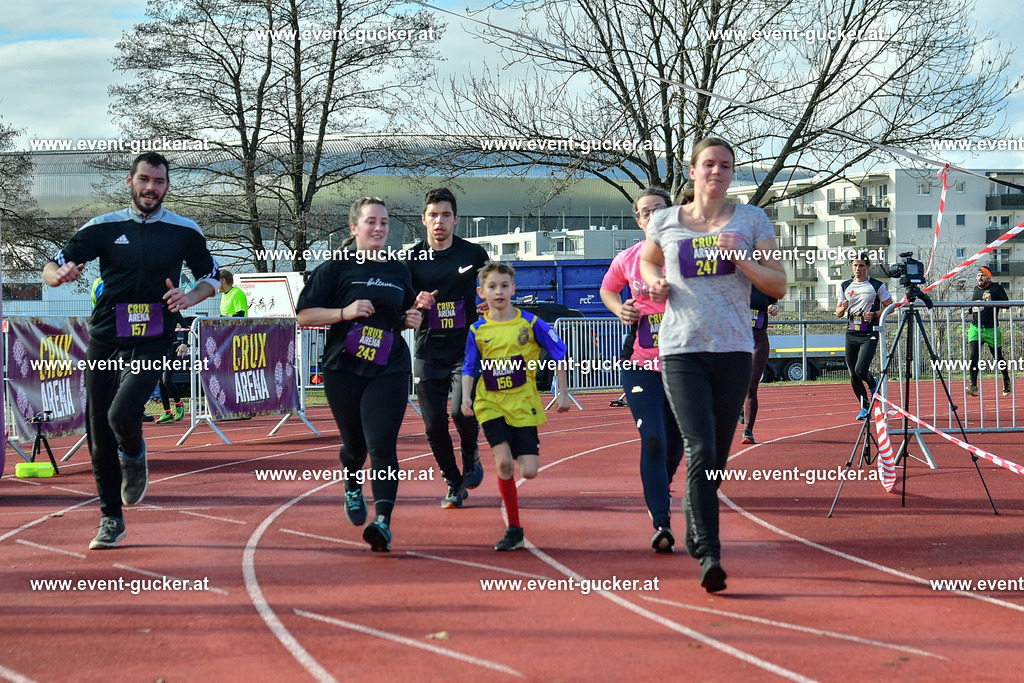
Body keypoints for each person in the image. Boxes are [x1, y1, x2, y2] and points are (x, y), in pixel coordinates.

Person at [42, 152, 219, 549]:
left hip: (154, 336)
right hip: (107, 336)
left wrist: (189, 297)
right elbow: (52, 267)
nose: (151, 188)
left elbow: (212, 277)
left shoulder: (184, 230)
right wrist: (58, 277)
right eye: (144, 180)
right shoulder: (104, 226)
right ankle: (110, 518)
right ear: (130, 181)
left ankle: (136, 453)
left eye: (158, 182)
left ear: (167, 186)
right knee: (98, 429)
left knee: (122, 413)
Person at [640, 137, 785, 592]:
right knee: (700, 448)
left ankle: (693, 520)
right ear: (692, 171)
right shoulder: (665, 220)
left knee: (716, 459)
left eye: (725, 165)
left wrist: (741, 259)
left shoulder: (751, 219)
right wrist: (655, 284)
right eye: (708, 164)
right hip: (682, 349)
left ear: (732, 173)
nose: (716, 172)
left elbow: (778, 284)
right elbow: (648, 263)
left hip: (734, 349)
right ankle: (710, 554)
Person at [296, 197, 421, 552]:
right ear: (354, 228)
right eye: (371, 222)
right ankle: (352, 480)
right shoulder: (335, 269)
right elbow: (304, 316)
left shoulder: (398, 270)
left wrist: (413, 319)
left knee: (382, 443)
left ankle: (382, 521)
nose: (379, 228)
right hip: (344, 367)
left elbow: (406, 313)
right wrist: (344, 311)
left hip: (390, 365)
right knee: (357, 446)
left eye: (384, 222)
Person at [461, 262, 572, 551]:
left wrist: (563, 392)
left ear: (514, 289)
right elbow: (470, 367)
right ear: (481, 292)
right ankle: (514, 529)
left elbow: (560, 352)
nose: (498, 291)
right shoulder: (477, 329)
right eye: (492, 286)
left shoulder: (531, 324)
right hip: (490, 403)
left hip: (523, 405)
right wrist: (465, 398)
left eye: (504, 286)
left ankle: (521, 454)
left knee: (530, 470)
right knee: (504, 463)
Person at [600, 186, 684, 553]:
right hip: (640, 363)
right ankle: (661, 522)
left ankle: (660, 484)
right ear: (638, 220)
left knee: (675, 446)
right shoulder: (629, 258)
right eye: (645, 212)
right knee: (652, 437)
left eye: (658, 209)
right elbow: (607, 289)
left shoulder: (688, 252)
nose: (652, 216)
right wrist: (620, 309)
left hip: (684, 365)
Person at [406, 188, 490, 509]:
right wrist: (414, 300)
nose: (439, 221)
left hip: (465, 349)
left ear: (455, 219)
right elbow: (401, 302)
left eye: (445, 215)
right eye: (433, 215)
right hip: (428, 351)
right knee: (432, 424)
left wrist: (488, 305)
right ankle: (453, 483)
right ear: (424, 220)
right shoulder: (412, 259)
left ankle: (470, 451)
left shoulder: (473, 254)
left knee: (461, 410)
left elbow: (494, 286)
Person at [835, 253, 892, 420]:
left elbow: (891, 307)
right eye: (855, 265)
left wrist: (875, 314)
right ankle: (864, 407)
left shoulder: (876, 285)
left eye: (861, 266)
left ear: (867, 266)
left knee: (861, 369)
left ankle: (873, 384)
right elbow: (838, 312)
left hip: (869, 332)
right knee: (853, 373)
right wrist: (843, 308)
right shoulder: (845, 285)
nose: (858, 269)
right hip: (852, 331)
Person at [742, 286, 780, 444]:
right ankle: (738, 406)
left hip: (758, 340)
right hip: (738, 339)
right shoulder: (734, 283)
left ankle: (748, 431)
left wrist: (774, 308)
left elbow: (775, 303)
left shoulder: (765, 284)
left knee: (751, 384)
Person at [967, 266, 1012, 397]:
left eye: (982, 275)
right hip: (975, 328)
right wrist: (968, 311)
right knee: (973, 355)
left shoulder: (996, 288)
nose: (979, 278)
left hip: (991, 329)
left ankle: (1006, 380)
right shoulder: (976, 290)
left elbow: (1007, 305)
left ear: (988, 277)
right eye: (978, 276)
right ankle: (973, 385)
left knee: (998, 357)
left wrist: (991, 301)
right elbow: (976, 306)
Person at [155, 314, 188, 424]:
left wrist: (184, 343)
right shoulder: (153, 310)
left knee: (166, 379)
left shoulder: (172, 310)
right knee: (160, 382)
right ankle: (167, 412)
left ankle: (179, 404)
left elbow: (185, 327)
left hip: (172, 348)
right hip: (158, 349)